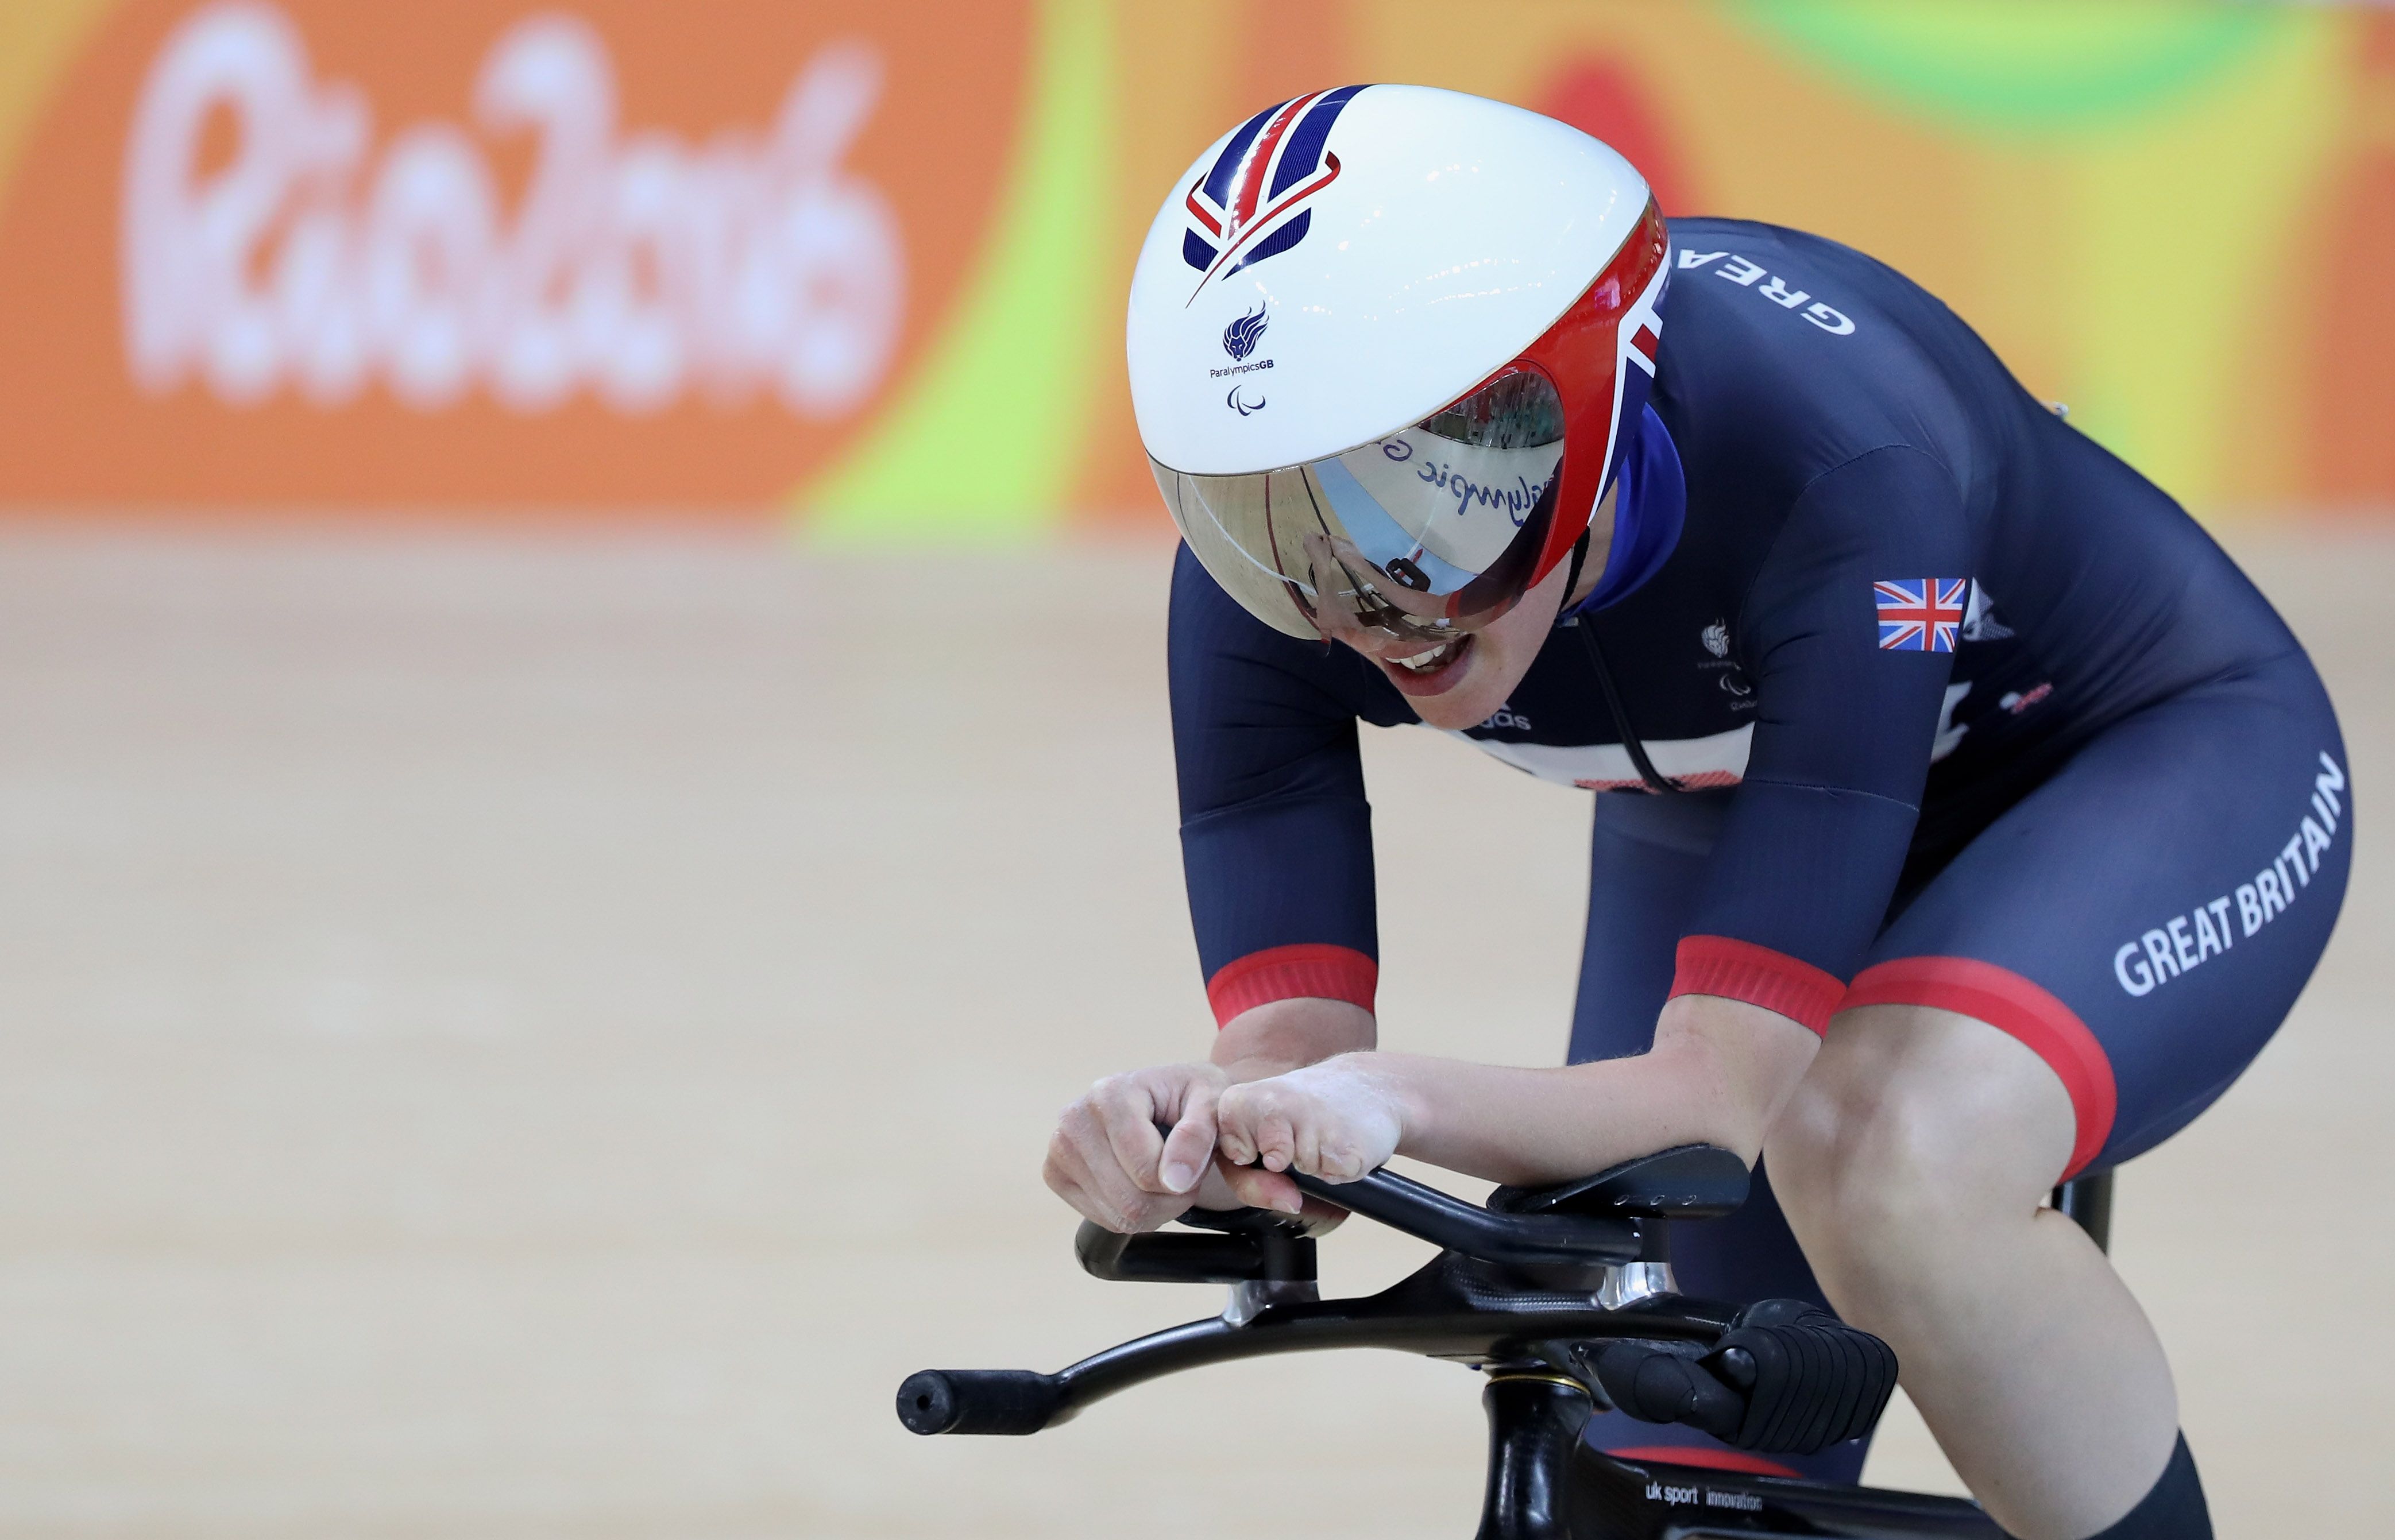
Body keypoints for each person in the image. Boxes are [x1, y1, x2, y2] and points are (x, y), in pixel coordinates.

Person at [1044, 84, 2347, 1540]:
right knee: (1652, 1441)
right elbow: (1299, 1069)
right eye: (1261, 519)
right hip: (1751, 793)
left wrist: (1392, 1100)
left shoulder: (1841, 463)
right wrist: (1214, 1131)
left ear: (1584, 408)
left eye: (1429, 513)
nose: (1365, 607)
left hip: (2140, 761)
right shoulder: (1289, 556)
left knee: (1884, 1154)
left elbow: (1718, 1102)